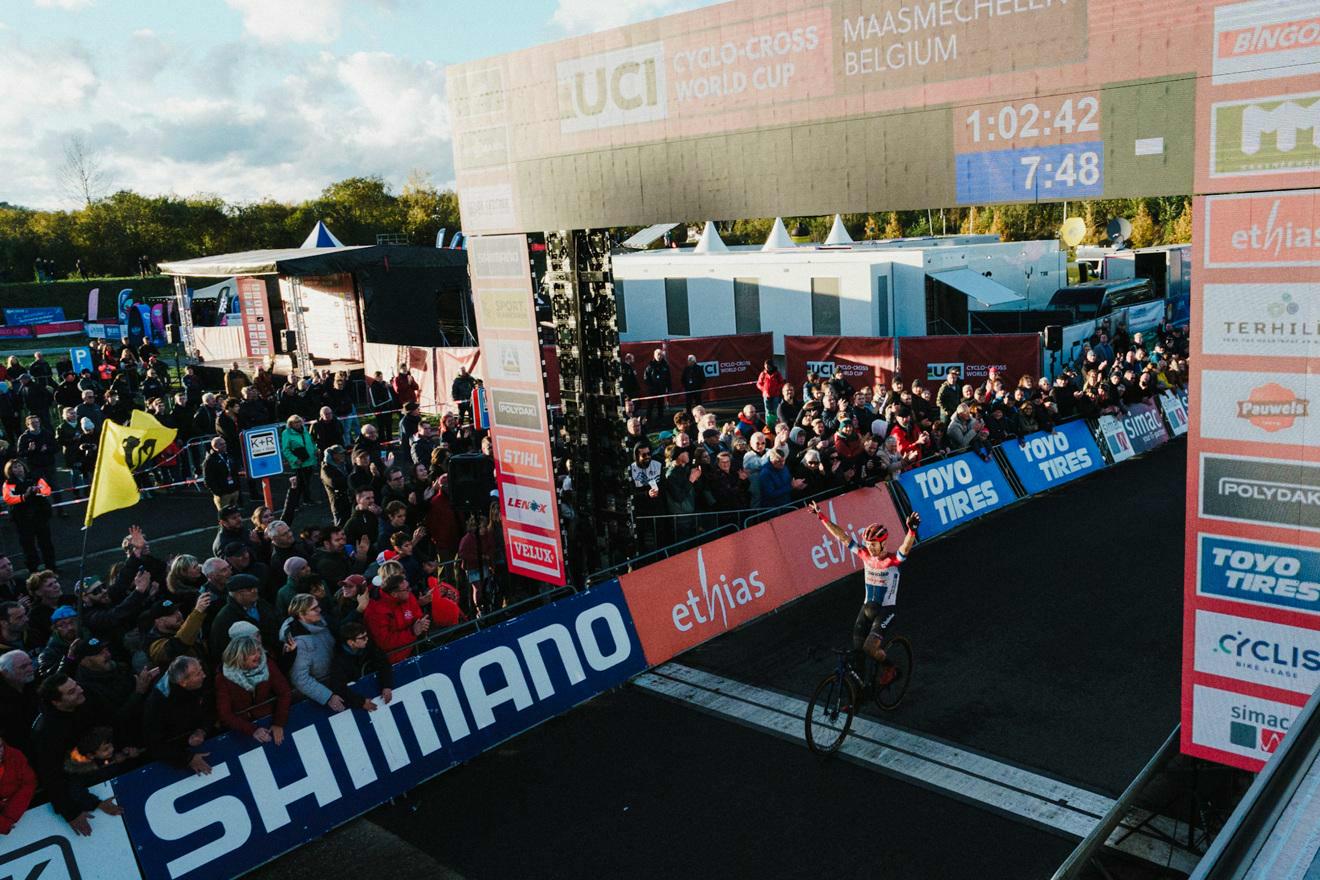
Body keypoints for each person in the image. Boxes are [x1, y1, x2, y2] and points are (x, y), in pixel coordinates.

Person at [809, 501, 919, 679]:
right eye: (868, 544)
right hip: (867, 608)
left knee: (869, 648)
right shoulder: (865, 555)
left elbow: (904, 550)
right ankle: (859, 695)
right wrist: (821, 516)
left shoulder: (889, 561)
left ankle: (890, 668)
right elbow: (843, 537)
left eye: (874, 544)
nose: (870, 547)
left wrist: (911, 531)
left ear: (884, 544)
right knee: (857, 653)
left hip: (885, 610)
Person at [30, 674, 125, 834]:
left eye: (77, 685)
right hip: (80, 775)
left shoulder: (88, 695)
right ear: (57, 702)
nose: (80, 690)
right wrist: (70, 812)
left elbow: (115, 720)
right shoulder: (46, 732)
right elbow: (51, 774)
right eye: (72, 692)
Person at [142, 657, 214, 775]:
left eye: (201, 670)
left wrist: (202, 730)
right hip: (178, 753)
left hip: (204, 740)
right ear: (183, 682)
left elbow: (210, 707)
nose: (204, 675)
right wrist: (187, 758)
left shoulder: (201, 681)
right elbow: (153, 744)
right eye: (198, 674)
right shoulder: (157, 703)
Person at [215, 633, 290, 745]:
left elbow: (284, 692)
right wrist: (252, 730)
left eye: (258, 651)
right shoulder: (223, 678)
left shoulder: (267, 664)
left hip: (269, 718)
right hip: (243, 730)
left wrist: (279, 722)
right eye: (252, 653)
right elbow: (225, 714)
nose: (258, 655)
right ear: (239, 657)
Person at [2, 459, 57, 572]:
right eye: (15, 467)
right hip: (22, 518)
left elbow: (47, 490)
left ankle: (51, 567)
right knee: (28, 546)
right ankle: (33, 570)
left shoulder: (35, 477)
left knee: (46, 543)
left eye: (19, 466)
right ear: (10, 471)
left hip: (40, 515)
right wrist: (24, 495)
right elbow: (8, 498)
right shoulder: (9, 483)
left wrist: (38, 490)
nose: (18, 469)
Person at [279, 413, 318, 523]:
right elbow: (286, 449)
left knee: (307, 481)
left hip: (309, 460)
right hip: (299, 463)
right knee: (298, 484)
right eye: (295, 422)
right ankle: (295, 503)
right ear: (290, 424)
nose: (298, 424)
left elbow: (310, 442)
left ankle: (307, 499)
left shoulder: (305, 430)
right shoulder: (286, 433)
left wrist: (315, 450)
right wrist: (295, 459)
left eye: (299, 421)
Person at [0, 738, 36, 835]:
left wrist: (9, 817)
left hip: (15, 815)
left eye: (0, 746)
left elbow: (29, 783)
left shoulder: (15, 756)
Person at [202, 436, 240, 510]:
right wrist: (219, 493)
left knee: (234, 513)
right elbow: (208, 480)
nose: (224, 445)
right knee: (225, 516)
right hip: (223, 495)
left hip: (233, 491)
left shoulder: (228, 456)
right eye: (221, 444)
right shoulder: (210, 461)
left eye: (224, 443)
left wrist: (237, 487)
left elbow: (235, 472)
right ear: (215, 446)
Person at [642, 348, 671, 427]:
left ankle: (660, 421)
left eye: (661, 354)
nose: (659, 356)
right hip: (652, 391)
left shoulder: (665, 365)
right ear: (654, 355)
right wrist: (650, 387)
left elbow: (668, 378)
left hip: (661, 390)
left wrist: (669, 387)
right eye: (658, 354)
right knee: (650, 406)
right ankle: (648, 421)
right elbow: (646, 377)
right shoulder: (650, 365)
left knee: (660, 406)